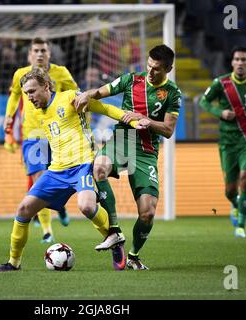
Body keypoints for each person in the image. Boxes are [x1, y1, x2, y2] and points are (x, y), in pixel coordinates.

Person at [0, 69, 147, 272]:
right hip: (57, 170)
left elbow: (106, 109)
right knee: (24, 209)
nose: (28, 97)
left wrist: (133, 121)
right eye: (26, 93)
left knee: (87, 207)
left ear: (46, 86)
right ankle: (13, 263)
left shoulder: (71, 97)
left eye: (32, 91)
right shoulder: (37, 113)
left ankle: (115, 241)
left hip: (83, 164)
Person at [74, 44, 181, 270]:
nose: (150, 72)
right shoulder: (132, 80)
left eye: (157, 69)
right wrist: (86, 94)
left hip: (146, 153)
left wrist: (146, 120)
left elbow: (169, 130)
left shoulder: (172, 93)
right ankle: (114, 230)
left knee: (148, 213)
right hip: (122, 142)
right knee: (99, 167)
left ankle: (133, 256)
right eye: (149, 66)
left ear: (168, 69)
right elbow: (101, 92)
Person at [3, 38, 77, 243]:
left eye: (43, 50)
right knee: (40, 181)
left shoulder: (61, 73)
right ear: (29, 54)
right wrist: (9, 117)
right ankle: (47, 231)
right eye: (35, 50)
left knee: (56, 181)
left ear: (49, 53)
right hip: (33, 134)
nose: (40, 54)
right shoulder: (20, 74)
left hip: (57, 134)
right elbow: (14, 96)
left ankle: (60, 206)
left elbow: (76, 95)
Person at [199, 46, 246, 238]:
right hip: (227, 142)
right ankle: (235, 202)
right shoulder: (221, 83)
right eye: (237, 59)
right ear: (232, 62)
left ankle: (241, 225)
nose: (240, 63)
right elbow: (204, 102)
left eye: (244, 60)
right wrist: (220, 112)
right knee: (230, 190)